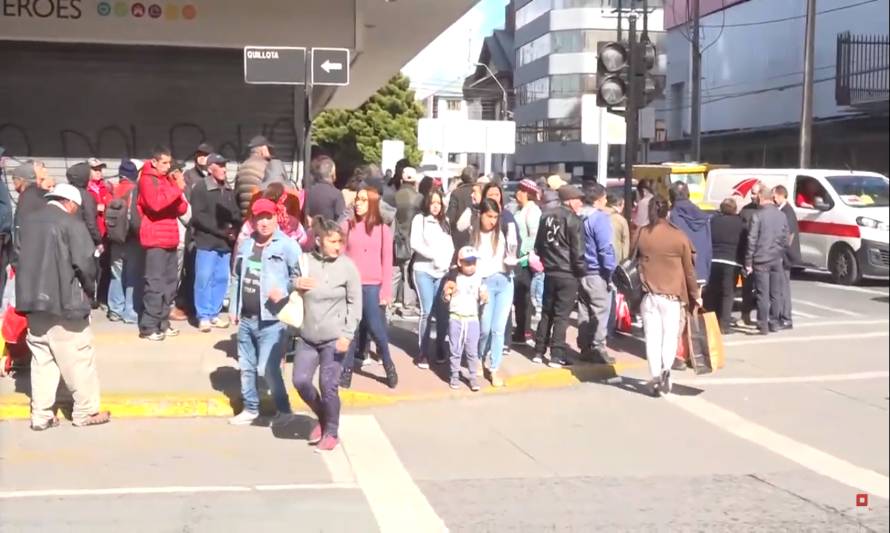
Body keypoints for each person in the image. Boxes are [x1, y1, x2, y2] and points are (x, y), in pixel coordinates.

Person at [15, 183, 110, 429]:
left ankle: (41, 415)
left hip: (33, 303)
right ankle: (85, 412)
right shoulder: (71, 224)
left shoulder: (27, 223)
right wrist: (90, 292)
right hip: (64, 303)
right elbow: (86, 265)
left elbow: (17, 258)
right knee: (78, 358)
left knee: (42, 359)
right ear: (70, 203)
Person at [227, 198, 301, 426]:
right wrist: (233, 307)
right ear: (253, 220)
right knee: (246, 367)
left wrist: (286, 289)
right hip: (247, 318)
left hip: (273, 320)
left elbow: (300, 276)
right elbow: (237, 276)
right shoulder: (247, 245)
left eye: (268, 217)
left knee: (266, 369)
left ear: (276, 218)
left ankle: (284, 409)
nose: (264, 222)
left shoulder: (287, 245)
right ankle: (251, 408)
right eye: (259, 218)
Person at [292, 218, 362, 452]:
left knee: (328, 384)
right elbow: (288, 282)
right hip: (308, 335)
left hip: (335, 337)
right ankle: (323, 416)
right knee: (300, 381)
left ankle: (331, 432)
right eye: (332, 241)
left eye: (340, 241)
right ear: (319, 241)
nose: (338, 246)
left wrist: (347, 335)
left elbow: (355, 303)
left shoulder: (347, 267)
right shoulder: (305, 261)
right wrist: (296, 282)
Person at [636, 196, 701, 397]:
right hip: (672, 296)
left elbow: (632, 257)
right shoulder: (679, 236)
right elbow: (689, 271)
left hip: (649, 295)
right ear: (668, 211)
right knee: (670, 336)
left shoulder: (642, 233)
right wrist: (695, 295)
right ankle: (666, 369)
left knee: (652, 338)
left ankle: (655, 375)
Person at [339, 187, 398, 389]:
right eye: (357, 199)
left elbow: (387, 260)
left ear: (372, 203)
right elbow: (340, 252)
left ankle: (388, 365)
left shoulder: (382, 229)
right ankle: (346, 373)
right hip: (351, 286)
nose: (358, 203)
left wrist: (386, 290)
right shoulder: (348, 225)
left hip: (373, 286)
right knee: (350, 330)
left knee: (376, 329)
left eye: (363, 200)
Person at [137, 146, 188, 341]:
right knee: (155, 283)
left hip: (170, 238)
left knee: (169, 284)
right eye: (164, 163)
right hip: (155, 238)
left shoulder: (167, 181)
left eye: (169, 163)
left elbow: (181, 208)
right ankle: (149, 326)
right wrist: (176, 190)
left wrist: (178, 189)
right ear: (154, 162)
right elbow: (156, 204)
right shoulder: (147, 180)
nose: (167, 167)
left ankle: (163, 322)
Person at [534, 185, 586, 367]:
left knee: (546, 312)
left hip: (550, 271)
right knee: (562, 316)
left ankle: (539, 351)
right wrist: (581, 273)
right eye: (579, 199)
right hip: (568, 273)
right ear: (570, 200)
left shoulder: (545, 216)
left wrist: (547, 262)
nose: (581, 203)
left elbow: (538, 246)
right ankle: (557, 355)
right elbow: (578, 252)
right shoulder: (574, 220)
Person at [190, 153, 241, 332]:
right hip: (207, 242)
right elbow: (199, 216)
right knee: (204, 278)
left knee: (221, 278)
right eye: (220, 166)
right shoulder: (201, 188)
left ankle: (214, 314)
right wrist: (222, 231)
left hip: (225, 243)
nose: (224, 169)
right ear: (210, 168)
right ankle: (203, 315)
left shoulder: (228, 189)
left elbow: (234, 212)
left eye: (225, 165)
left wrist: (235, 229)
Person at [468, 199, 515, 387]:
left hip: (504, 281)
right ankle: (479, 357)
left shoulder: (501, 233)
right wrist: (480, 287)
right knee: (485, 328)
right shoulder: (474, 235)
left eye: (496, 217)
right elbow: (474, 266)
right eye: (489, 216)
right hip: (485, 283)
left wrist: (512, 260)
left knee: (498, 329)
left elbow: (509, 253)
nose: (492, 221)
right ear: (481, 215)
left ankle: (494, 368)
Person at [410, 187, 454, 369]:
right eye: (433, 203)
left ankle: (441, 347)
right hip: (423, 270)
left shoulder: (445, 221)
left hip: (442, 272)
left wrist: (446, 263)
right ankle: (423, 352)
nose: (436, 207)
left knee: (443, 312)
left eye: (439, 203)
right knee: (427, 311)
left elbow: (450, 245)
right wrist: (433, 256)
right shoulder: (420, 220)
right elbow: (415, 243)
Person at [578, 184, 616, 364]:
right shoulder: (599, 219)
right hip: (597, 271)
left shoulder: (579, 215)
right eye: (605, 197)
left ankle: (584, 347)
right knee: (601, 312)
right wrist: (610, 271)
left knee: (584, 310)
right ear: (598, 199)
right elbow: (605, 249)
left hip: (580, 270)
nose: (607, 201)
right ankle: (598, 348)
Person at [745, 187, 789, 335]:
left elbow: (752, 239)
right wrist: (779, 252)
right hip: (776, 258)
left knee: (762, 294)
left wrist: (748, 262)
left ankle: (763, 324)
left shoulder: (758, 215)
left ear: (762, 198)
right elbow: (785, 238)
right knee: (775, 293)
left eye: (757, 197)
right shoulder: (781, 215)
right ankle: (774, 322)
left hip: (761, 258)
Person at [442, 246, 487, 391]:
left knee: (472, 352)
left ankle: (473, 377)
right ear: (460, 263)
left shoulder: (479, 278)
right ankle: (454, 375)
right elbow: (445, 297)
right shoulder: (453, 277)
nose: (471, 266)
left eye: (473, 262)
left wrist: (484, 297)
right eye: (468, 262)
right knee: (455, 350)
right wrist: (447, 294)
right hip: (456, 319)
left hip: (472, 319)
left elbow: (484, 294)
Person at [106, 160, 143, 324]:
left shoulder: (112, 189)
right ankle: (130, 312)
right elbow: (136, 217)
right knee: (132, 277)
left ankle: (115, 310)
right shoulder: (135, 191)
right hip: (132, 240)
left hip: (115, 239)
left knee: (116, 276)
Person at [707, 198, 746, 334]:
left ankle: (710, 323)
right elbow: (744, 243)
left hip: (714, 259)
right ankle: (724, 325)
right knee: (728, 294)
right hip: (732, 261)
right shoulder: (740, 223)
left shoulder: (714, 221)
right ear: (735, 209)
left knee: (712, 292)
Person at [511, 179, 542, 346]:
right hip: (517, 258)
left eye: (521, 191)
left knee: (524, 296)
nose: (517, 194)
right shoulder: (521, 210)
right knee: (518, 297)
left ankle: (524, 330)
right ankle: (520, 329)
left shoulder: (533, 211)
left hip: (524, 260)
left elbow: (533, 235)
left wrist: (522, 252)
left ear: (528, 193)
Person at [237, 183, 309, 250]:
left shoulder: (252, 222)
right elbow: (304, 243)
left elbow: (240, 246)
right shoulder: (292, 223)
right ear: (284, 200)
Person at [669, 181, 712, 286]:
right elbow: (708, 245)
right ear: (688, 194)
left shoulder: (672, 216)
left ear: (671, 196)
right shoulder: (703, 216)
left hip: (680, 270)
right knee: (697, 300)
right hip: (700, 269)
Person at [393, 167, 422, 317]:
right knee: (408, 270)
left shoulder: (393, 196)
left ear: (401, 180)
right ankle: (408, 305)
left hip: (395, 238)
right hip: (411, 238)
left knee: (394, 271)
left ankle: (389, 302)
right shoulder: (418, 198)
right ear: (415, 181)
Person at [774, 185, 800, 330]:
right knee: (781, 286)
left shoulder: (787, 211)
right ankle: (782, 316)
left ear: (780, 195)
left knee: (783, 287)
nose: (773, 199)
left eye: (775, 196)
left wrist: (781, 251)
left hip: (785, 256)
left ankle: (786, 318)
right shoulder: (784, 210)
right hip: (783, 254)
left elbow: (789, 236)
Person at [739, 181, 763, 326]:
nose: (752, 196)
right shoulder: (745, 210)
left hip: (762, 254)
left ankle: (762, 318)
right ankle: (745, 315)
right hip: (747, 254)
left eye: (754, 193)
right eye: (751, 193)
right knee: (747, 287)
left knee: (762, 288)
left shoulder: (766, 210)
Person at [235, 135, 272, 217]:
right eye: (268, 148)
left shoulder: (242, 167)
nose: (270, 152)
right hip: (262, 217)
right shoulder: (266, 167)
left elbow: (236, 194)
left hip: (245, 218)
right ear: (262, 149)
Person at [447, 166, 479, 249]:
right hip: (477, 234)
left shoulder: (456, 193)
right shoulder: (479, 191)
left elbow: (450, 216)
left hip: (459, 237)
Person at [305, 156, 345, 222]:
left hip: (311, 230)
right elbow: (341, 219)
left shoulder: (308, 191)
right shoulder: (336, 194)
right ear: (332, 173)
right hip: (328, 231)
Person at [606, 194, 630, 264]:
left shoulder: (599, 216)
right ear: (620, 204)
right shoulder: (621, 220)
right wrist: (625, 261)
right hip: (616, 258)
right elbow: (625, 243)